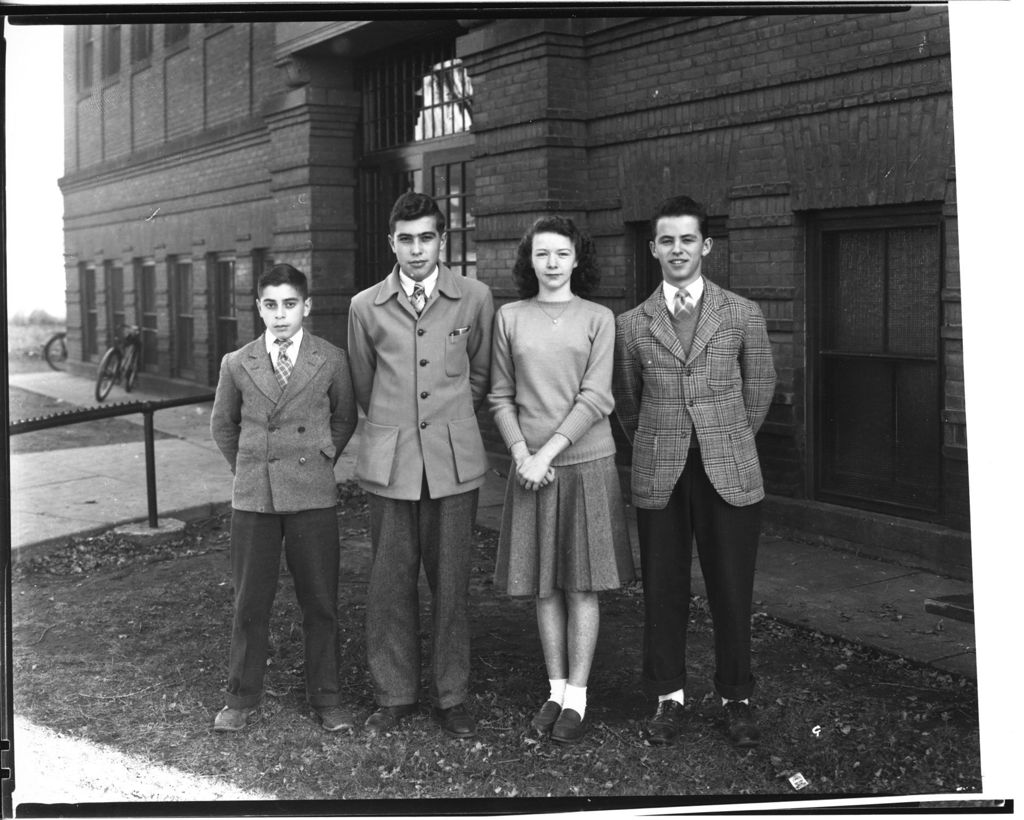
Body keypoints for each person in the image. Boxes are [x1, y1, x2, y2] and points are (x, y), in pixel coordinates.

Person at [612, 195, 776, 749]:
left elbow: (760, 389)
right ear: (653, 248)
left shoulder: (741, 313)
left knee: (732, 587)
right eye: (667, 240)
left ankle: (737, 696)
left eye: (688, 239)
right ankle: (668, 698)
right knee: (664, 587)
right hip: (661, 469)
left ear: (705, 246)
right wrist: (665, 441)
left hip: (728, 468)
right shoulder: (631, 324)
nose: (677, 249)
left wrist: (724, 437)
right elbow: (627, 403)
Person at [347, 191, 495, 739]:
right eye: (405, 239)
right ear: (392, 243)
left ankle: (452, 695)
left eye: (426, 237)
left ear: (442, 239)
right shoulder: (365, 306)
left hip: (453, 462)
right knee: (389, 583)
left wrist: (450, 422)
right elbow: (365, 385)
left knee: (452, 582)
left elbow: (479, 378)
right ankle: (394, 693)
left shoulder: (475, 297)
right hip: (391, 462)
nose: (416, 250)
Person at [488, 216, 635, 744]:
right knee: (543, 585)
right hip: (531, 469)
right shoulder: (509, 317)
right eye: (542, 254)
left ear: (577, 259)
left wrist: (544, 452)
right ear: (530, 260)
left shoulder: (599, 318)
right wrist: (522, 453)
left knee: (581, 584)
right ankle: (554, 689)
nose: (551, 263)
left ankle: (579, 696)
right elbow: (500, 396)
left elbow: (598, 397)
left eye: (561, 254)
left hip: (585, 463)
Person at [210, 263, 358, 732]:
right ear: (259, 308)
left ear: (306, 307)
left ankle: (327, 696)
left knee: (320, 601)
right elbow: (223, 425)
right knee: (250, 600)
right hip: (255, 497)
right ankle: (240, 696)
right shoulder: (237, 362)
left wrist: (319, 459)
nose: (280, 315)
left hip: (312, 493)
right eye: (270, 305)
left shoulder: (331, 358)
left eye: (289, 304)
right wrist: (251, 466)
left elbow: (345, 418)